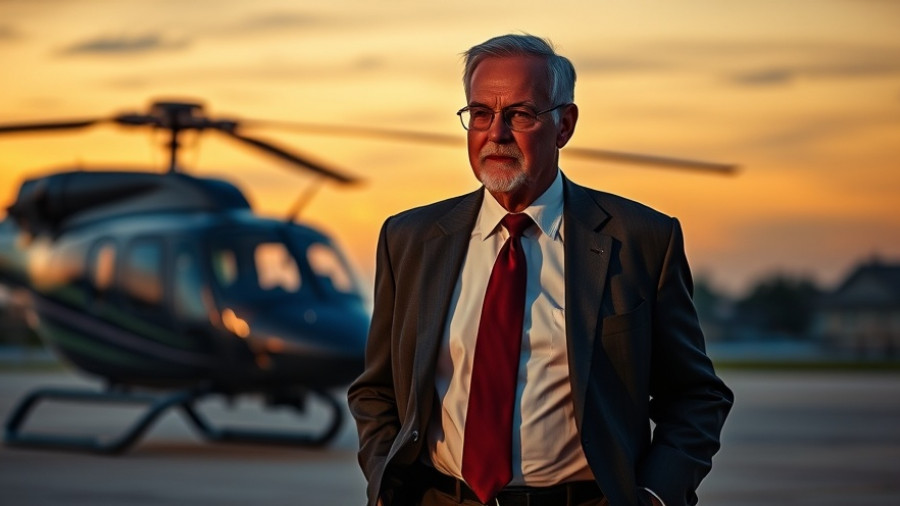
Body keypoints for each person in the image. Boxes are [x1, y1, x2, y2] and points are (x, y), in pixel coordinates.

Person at [348, 34, 733, 506]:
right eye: (480, 114)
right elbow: (376, 390)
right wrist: (386, 488)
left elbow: (696, 396)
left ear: (564, 124)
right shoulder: (409, 239)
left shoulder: (640, 241)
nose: (496, 134)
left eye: (521, 114)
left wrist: (653, 497)